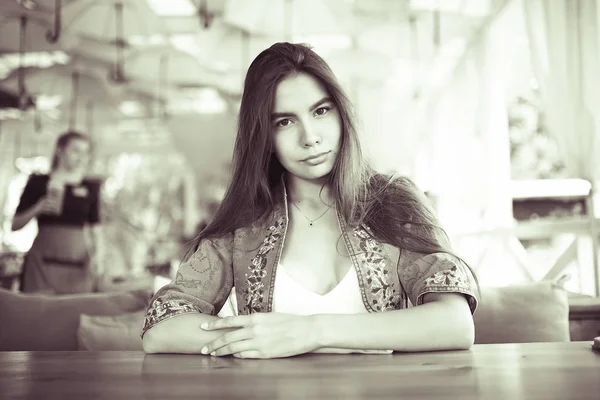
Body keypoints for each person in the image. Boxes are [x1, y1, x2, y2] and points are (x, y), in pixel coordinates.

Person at [142, 42, 479, 358]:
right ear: (265, 137)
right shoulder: (245, 224)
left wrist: (312, 331)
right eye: (285, 122)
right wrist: (260, 337)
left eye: (320, 111)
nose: (310, 137)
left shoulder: (393, 202)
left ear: (341, 114)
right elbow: (162, 328)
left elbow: (455, 323)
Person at [12, 131, 104, 294]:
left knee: (74, 311)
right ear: (60, 150)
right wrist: (38, 208)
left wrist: (98, 257)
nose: (81, 157)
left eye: (85, 152)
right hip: (42, 263)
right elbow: (14, 225)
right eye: (76, 150)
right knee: (38, 310)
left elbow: (96, 229)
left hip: (77, 263)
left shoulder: (90, 186)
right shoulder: (38, 182)